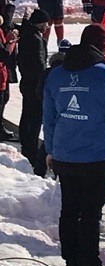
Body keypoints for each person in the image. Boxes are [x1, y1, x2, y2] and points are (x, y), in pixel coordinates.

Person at [43, 24, 105, 266]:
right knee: (91, 213)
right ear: (104, 46)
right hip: (98, 156)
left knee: (70, 209)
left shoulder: (56, 75)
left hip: (65, 153)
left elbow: (48, 118)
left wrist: (50, 150)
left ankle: (71, 260)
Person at [17, 10, 50, 176]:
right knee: (35, 117)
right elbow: (39, 63)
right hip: (34, 84)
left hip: (26, 82)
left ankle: (26, 144)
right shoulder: (35, 39)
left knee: (27, 114)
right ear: (40, 23)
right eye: (46, 23)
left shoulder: (27, 33)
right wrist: (45, 78)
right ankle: (30, 149)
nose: (48, 26)